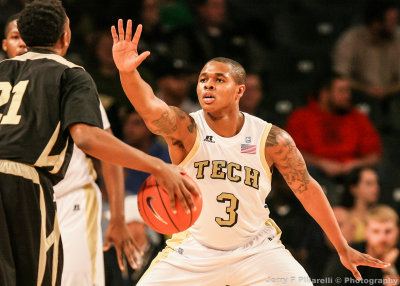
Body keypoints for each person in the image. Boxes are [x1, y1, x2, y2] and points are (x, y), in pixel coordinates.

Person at [111, 20, 390, 285]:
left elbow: (307, 189)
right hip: (194, 249)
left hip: (256, 249)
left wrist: (342, 246)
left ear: (239, 91)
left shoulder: (272, 139)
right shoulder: (187, 128)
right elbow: (149, 107)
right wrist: (128, 72)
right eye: (203, 79)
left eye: (219, 79)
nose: (208, 84)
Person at [0, 1, 198, 285]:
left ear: (25, 38)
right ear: (65, 37)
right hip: (27, 186)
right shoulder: (69, 73)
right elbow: (89, 138)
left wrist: (117, 217)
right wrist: (158, 166)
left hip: (64, 197)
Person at [286, 72, 382, 204]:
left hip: (352, 173)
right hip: (316, 172)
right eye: (342, 91)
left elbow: (374, 156)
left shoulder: (358, 118)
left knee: (374, 175)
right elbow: (291, 153)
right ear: (324, 94)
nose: (348, 96)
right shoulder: (301, 118)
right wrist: (322, 163)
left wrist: (354, 164)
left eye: (348, 91)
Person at [322, 205, 400, 286]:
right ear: (366, 232)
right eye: (376, 231)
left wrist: (390, 269)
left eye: (388, 231)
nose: (382, 238)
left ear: (397, 231)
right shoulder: (348, 256)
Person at [103, 195, 165, 286]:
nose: (119, 229)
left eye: (126, 224)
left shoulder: (163, 256)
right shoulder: (108, 256)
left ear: (142, 225)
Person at [123, 109, 171, 195]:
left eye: (136, 123)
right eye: (126, 123)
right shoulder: (119, 149)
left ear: (150, 128)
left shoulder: (165, 155)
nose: (128, 129)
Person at [340, 167, 381, 243]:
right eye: (369, 183)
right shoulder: (342, 215)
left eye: (377, 183)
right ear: (354, 189)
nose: (376, 187)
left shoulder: (383, 214)